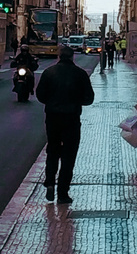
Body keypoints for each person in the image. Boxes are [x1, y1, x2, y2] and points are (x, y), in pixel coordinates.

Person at [34, 44, 95, 203]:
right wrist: (76, 101)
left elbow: (40, 95)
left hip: (53, 117)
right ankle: (63, 193)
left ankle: (49, 181)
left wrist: (52, 102)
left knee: (53, 150)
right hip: (72, 118)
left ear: (59, 56)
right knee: (69, 155)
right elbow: (89, 98)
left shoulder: (49, 73)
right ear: (72, 57)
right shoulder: (80, 74)